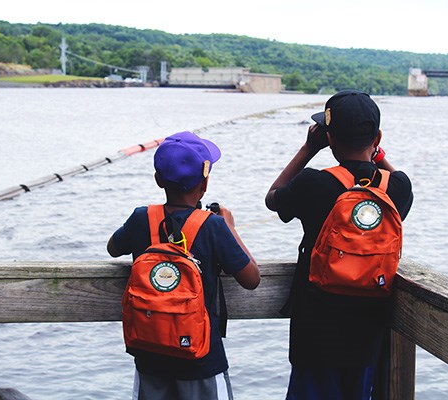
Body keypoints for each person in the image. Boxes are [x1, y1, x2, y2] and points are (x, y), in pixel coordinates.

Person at [265, 90, 413, 400]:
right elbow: (397, 175)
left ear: (329, 139)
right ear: (377, 137)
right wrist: (378, 152)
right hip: (368, 336)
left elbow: (273, 198)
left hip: (315, 336)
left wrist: (308, 148)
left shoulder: (311, 183)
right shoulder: (396, 189)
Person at [107, 130, 260, 400]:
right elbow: (251, 279)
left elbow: (113, 248)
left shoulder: (141, 218)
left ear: (158, 180)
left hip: (149, 355)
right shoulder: (212, 225)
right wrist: (229, 227)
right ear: (205, 182)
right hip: (201, 359)